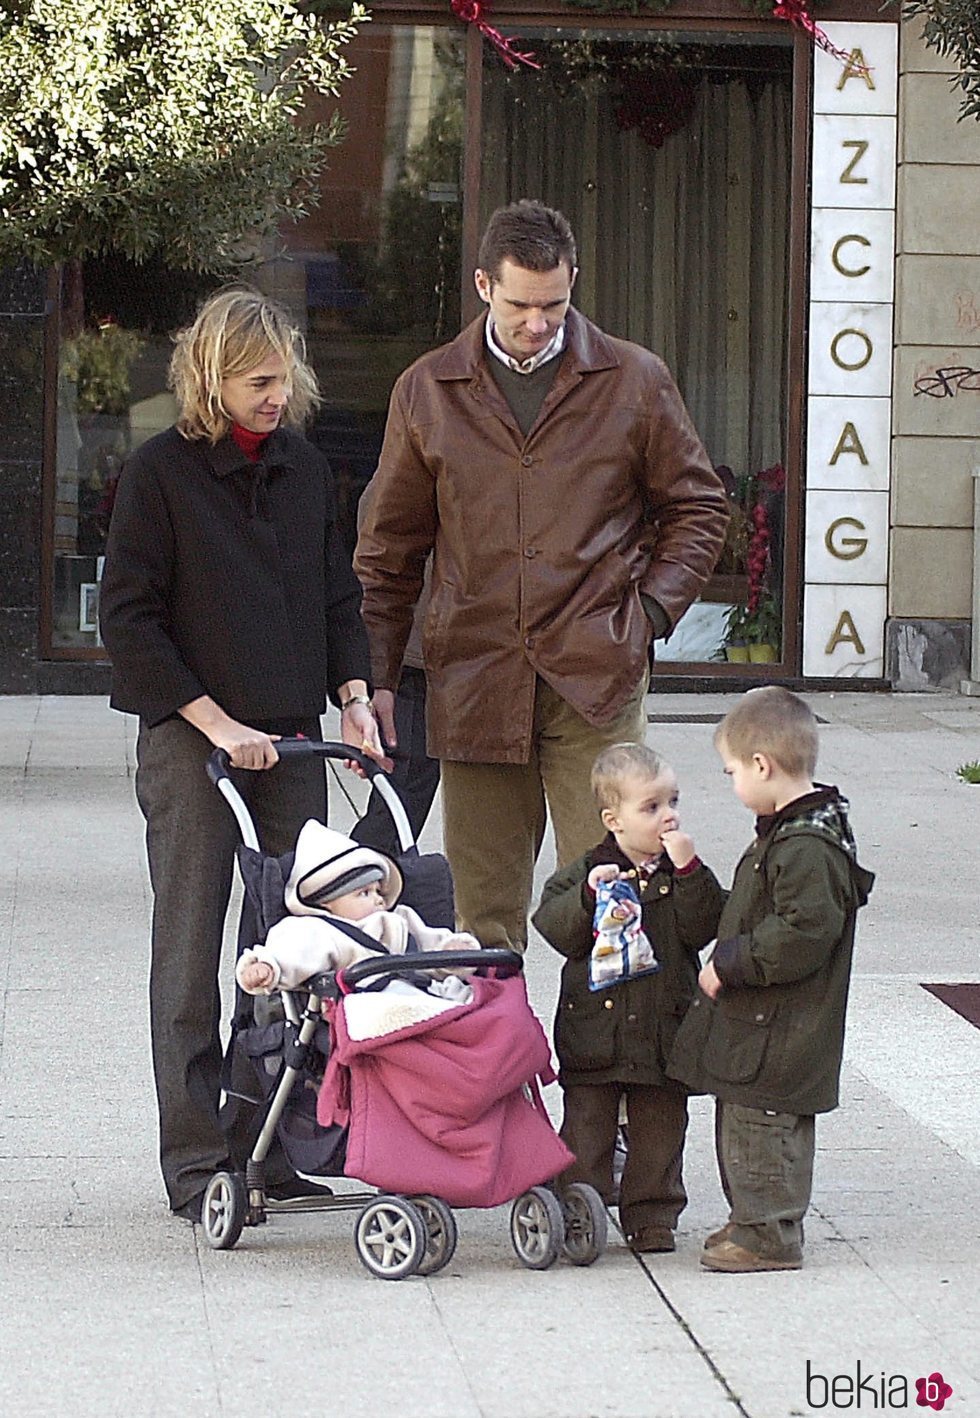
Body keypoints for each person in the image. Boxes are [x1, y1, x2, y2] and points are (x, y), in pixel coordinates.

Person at [355, 198, 729, 951]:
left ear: (574, 282)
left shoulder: (634, 379)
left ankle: (604, 1073)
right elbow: (389, 550)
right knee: (482, 921)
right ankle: (498, 1071)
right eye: (522, 304)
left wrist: (648, 616)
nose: (539, 322)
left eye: (555, 304)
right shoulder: (428, 390)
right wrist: (379, 678)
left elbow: (699, 507)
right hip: (475, 678)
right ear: (484, 286)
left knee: (614, 901)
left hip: (596, 676)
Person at [99, 287, 386, 1225]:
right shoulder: (158, 474)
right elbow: (130, 622)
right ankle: (194, 1160)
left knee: (294, 947)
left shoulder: (304, 471)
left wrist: (354, 700)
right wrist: (215, 724)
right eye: (257, 381)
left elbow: (337, 599)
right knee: (189, 952)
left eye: (284, 377)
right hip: (194, 742)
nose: (277, 395)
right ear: (210, 379)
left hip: (291, 739)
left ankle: (266, 1144)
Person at [669, 688, 875, 1273]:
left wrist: (731, 961)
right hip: (767, 1022)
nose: (732, 782)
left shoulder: (806, 845)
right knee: (749, 1117)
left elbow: (804, 931)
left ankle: (769, 1234)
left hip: (781, 1024)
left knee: (763, 1123)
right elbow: (759, 911)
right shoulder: (789, 832)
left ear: (762, 765)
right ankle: (753, 1221)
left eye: (732, 770)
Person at [532, 743, 725, 1253]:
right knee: (587, 1129)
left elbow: (707, 924)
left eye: (673, 802)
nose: (669, 816)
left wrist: (689, 873)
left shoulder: (679, 875)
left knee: (660, 1129)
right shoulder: (588, 871)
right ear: (613, 819)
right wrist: (589, 897)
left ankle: (653, 1213)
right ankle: (579, 1204)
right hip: (596, 1027)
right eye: (652, 807)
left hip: (664, 1029)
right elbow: (553, 927)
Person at [236, 821, 476, 1003]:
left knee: (481, 1000)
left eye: (378, 892)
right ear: (327, 903)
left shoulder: (400, 918)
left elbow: (429, 946)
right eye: (364, 893)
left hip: (421, 992)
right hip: (368, 1004)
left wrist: (452, 951)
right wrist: (268, 967)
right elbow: (293, 953)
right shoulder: (317, 929)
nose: (378, 899)